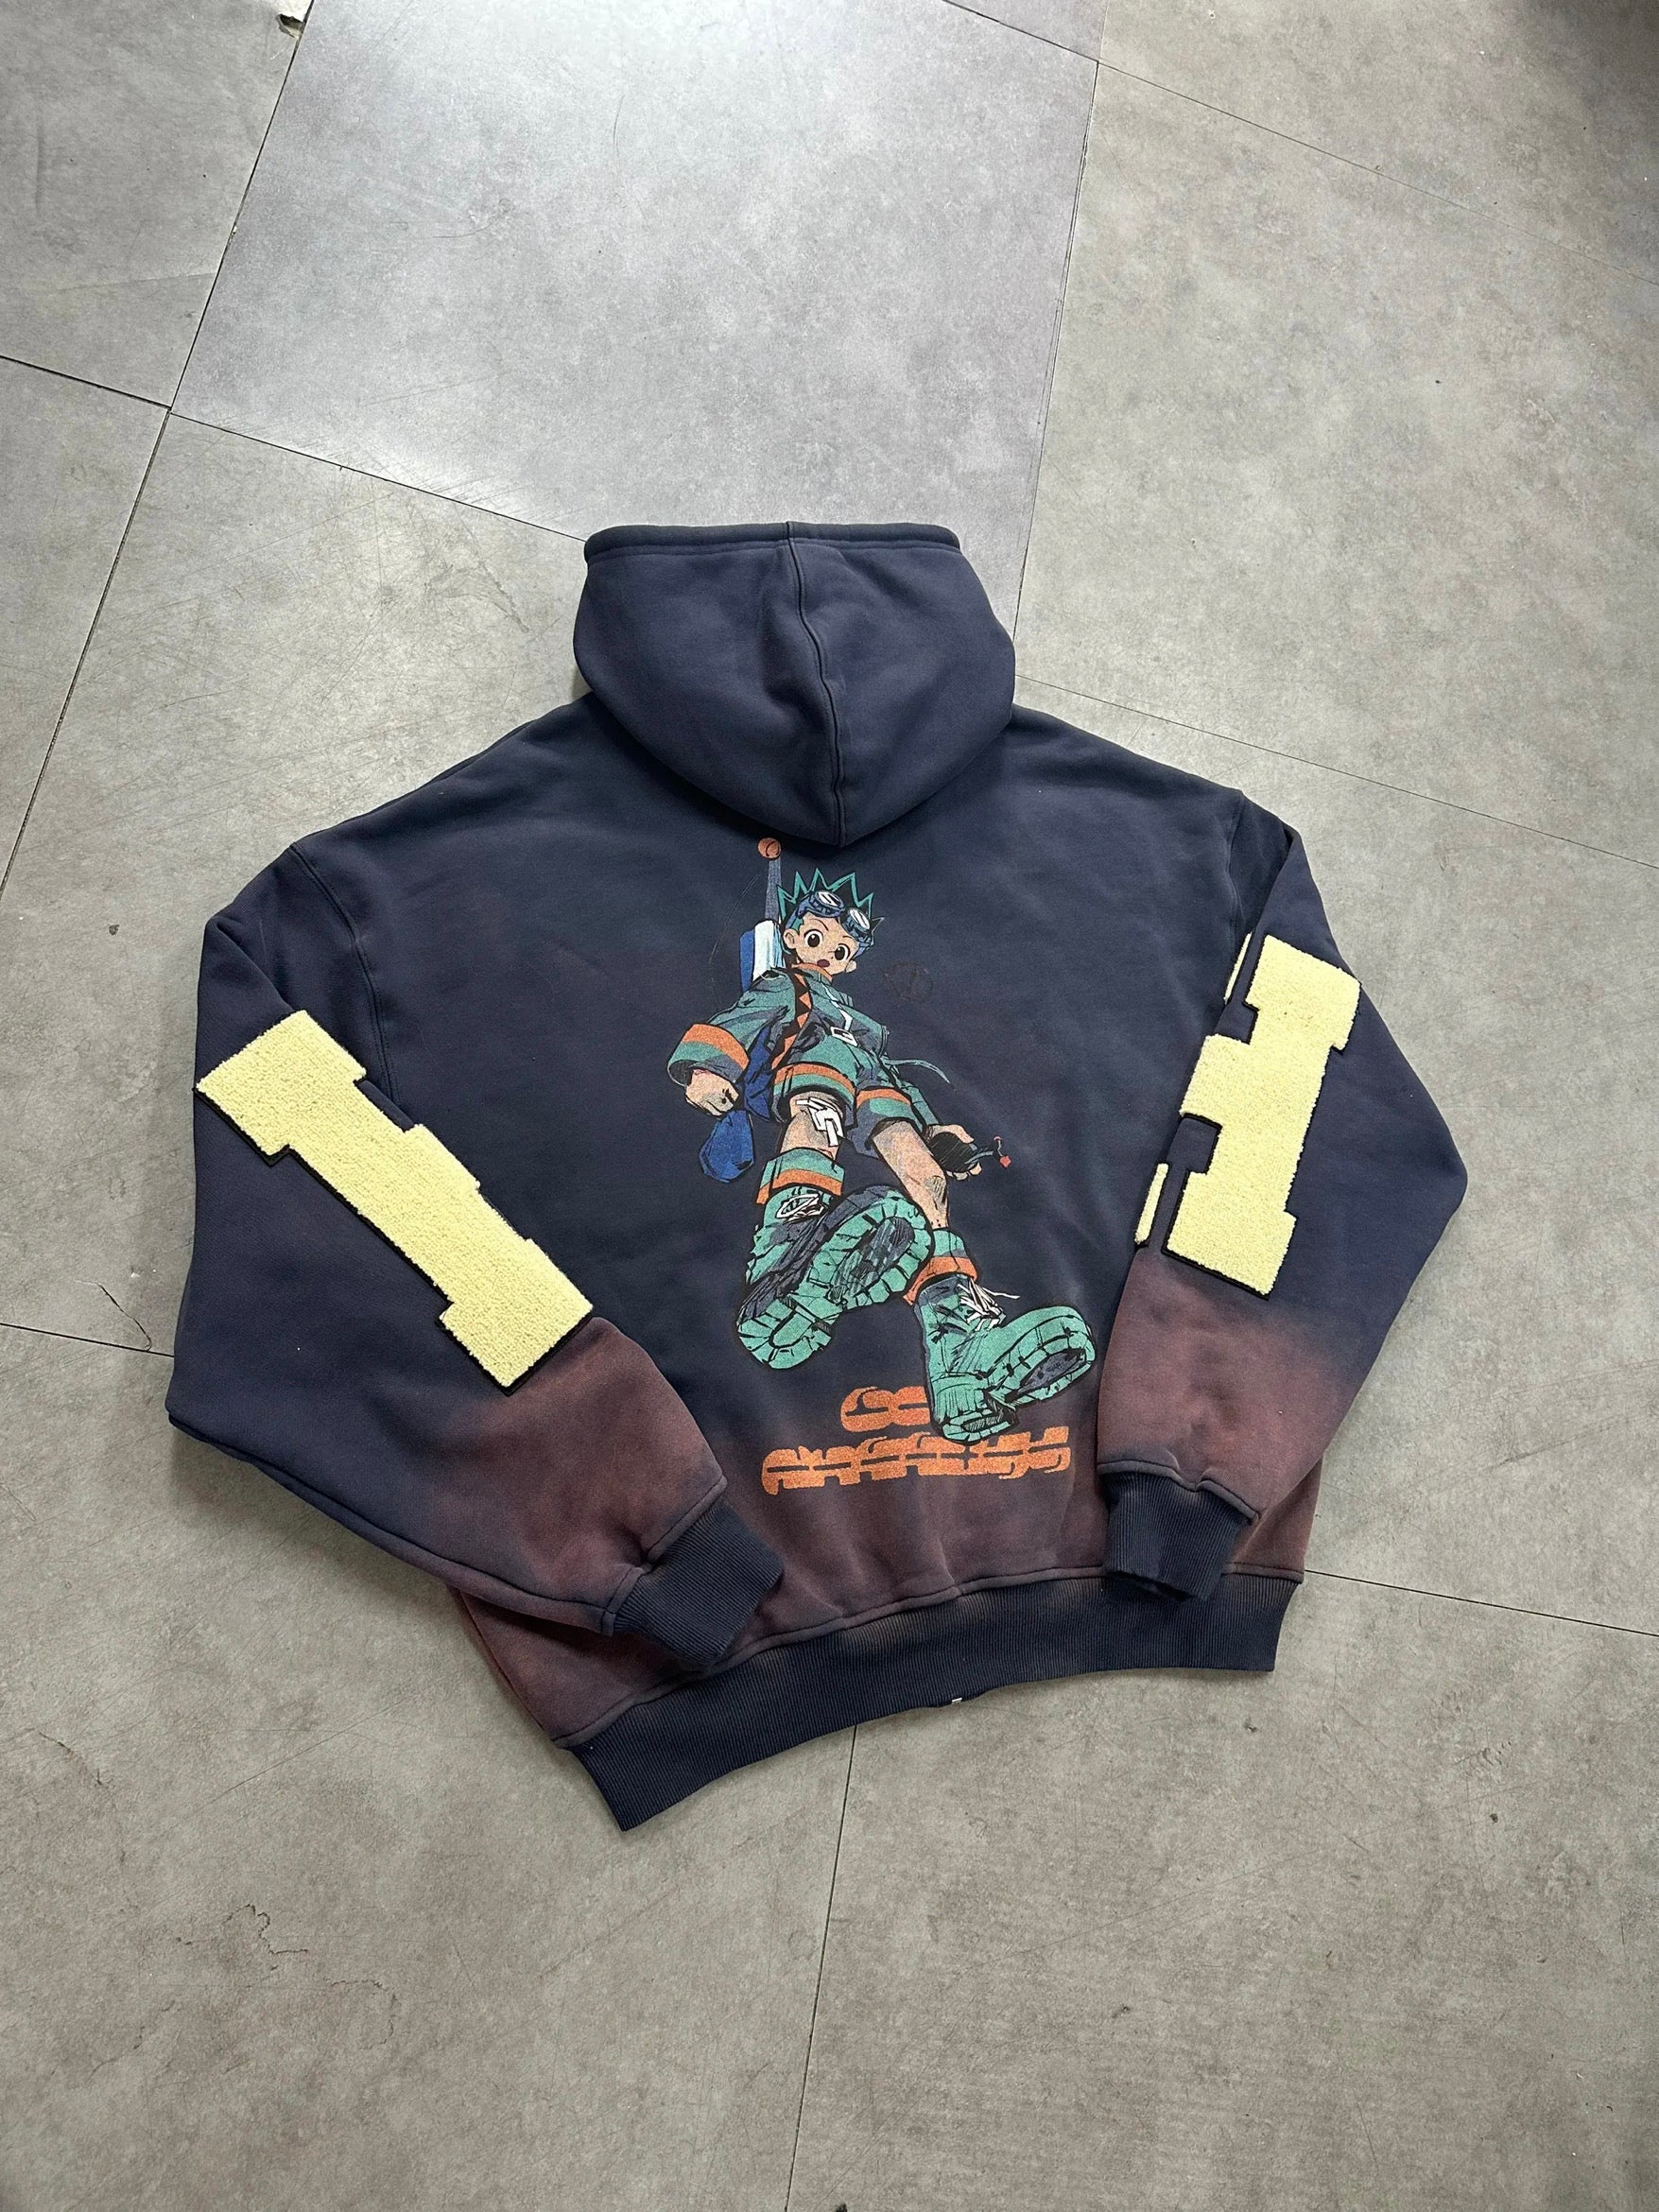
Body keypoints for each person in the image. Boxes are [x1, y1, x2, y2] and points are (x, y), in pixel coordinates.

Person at [668, 867, 1095, 1443]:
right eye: (816, 938)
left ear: (850, 963)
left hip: (870, 1085)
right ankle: (785, 1246)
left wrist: (935, 1130)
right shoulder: (784, 987)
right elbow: (739, 1022)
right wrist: (706, 1069)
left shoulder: (862, 1022)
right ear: (792, 937)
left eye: (841, 949)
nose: (828, 953)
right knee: (820, 1105)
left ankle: (957, 1346)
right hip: (811, 1070)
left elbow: (891, 1075)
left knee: (926, 1182)